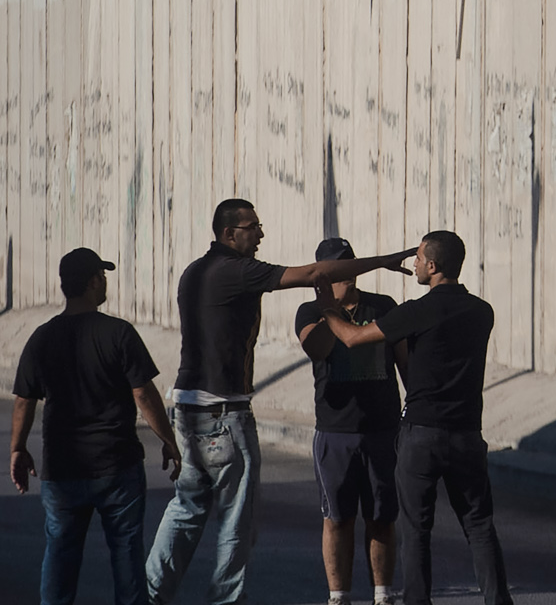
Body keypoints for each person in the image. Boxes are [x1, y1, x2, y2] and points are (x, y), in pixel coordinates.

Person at [149, 199, 412, 605]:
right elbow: (314, 275)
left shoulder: (195, 272)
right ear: (229, 233)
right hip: (224, 413)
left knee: (185, 511)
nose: (261, 235)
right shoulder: (238, 271)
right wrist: (384, 261)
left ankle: (151, 594)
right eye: (253, 227)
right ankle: (226, 600)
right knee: (238, 520)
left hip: (189, 408)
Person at [316, 230, 511, 605]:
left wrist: (327, 307)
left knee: (417, 529)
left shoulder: (417, 311)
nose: (415, 265)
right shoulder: (482, 311)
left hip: (422, 434)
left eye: (419, 259)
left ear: (433, 266)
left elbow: (354, 339)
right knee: (480, 525)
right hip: (468, 433)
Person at [9, 248, 181, 605]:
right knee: (126, 555)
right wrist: (169, 440)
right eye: (102, 277)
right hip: (116, 467)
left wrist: (18, 448)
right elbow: (144, 395)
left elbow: (25, 399)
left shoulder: (42, 338)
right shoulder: (118, 333)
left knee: (60, 553)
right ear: (92, 282)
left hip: (62, 470)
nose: (105, 284)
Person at [294, 236, 403, 605]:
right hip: (335, 430)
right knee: (337, 519)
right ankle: (338, 596)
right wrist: (331, 310)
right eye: (334, 269)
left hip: (383, 428)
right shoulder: (309, 312)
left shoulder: (383, 306)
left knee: (382, 516)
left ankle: (383, 593)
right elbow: (318, 349)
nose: (343, 275)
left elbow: (404, 361)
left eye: (347, 266)